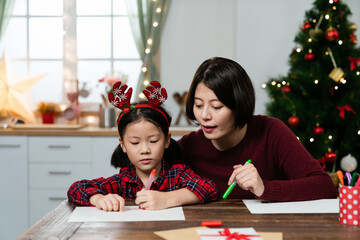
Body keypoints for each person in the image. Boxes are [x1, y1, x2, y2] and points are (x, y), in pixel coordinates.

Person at [178, 57, 337, 201]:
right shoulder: (187, 147)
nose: (204, 115)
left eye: (216, 106)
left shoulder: (271, 132)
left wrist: (264, 188)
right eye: (198, 105)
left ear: (239, 105)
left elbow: (324, 186)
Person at [68, 81, 218, 211]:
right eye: (134, 142)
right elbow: (76, 188)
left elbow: (209, 188)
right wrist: (99, 199)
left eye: (153, 141)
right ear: (123, 145)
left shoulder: (177, 175)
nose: (145, 150)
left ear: (167, 140)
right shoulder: (122, 182)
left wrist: (167, 199)